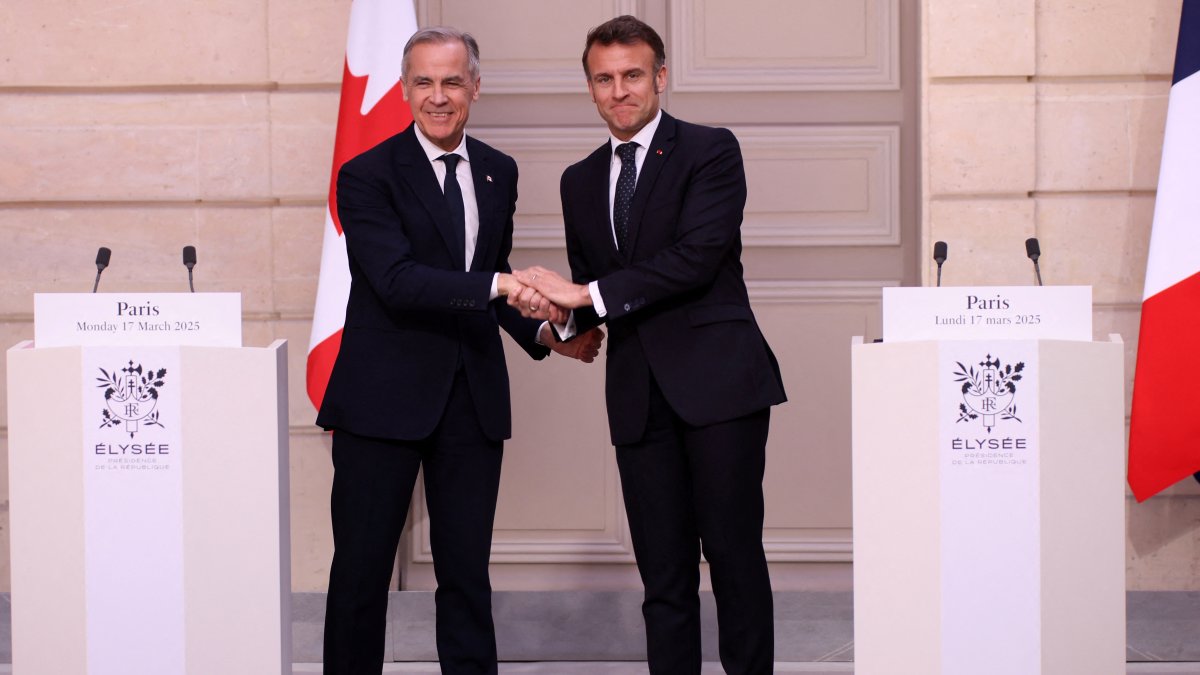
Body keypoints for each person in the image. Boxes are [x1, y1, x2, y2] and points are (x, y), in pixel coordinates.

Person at [316, 26, 603, 675]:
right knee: (360, 576)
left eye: (452, 81)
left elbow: (486, 275)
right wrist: (505, 283)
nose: (438, 96)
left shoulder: (500, 170)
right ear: (405, 88)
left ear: (475, 86)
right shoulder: (366, 174)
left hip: (470, 402)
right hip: (379, 403)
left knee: (468, 577)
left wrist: (548, 334)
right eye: (424, 82)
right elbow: (396, 280)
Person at [510, 15, 787, 675]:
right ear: (590, 88)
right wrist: (551, 319)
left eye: (632, 74)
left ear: (660, 77)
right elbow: (589, 299)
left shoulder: (710, 150)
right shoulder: (579, 180)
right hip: (638, 397)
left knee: (734, 560)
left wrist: (586, 294)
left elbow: (695, 258)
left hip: (720, 387)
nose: (619, 90)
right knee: (663, 580)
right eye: (604, 79)